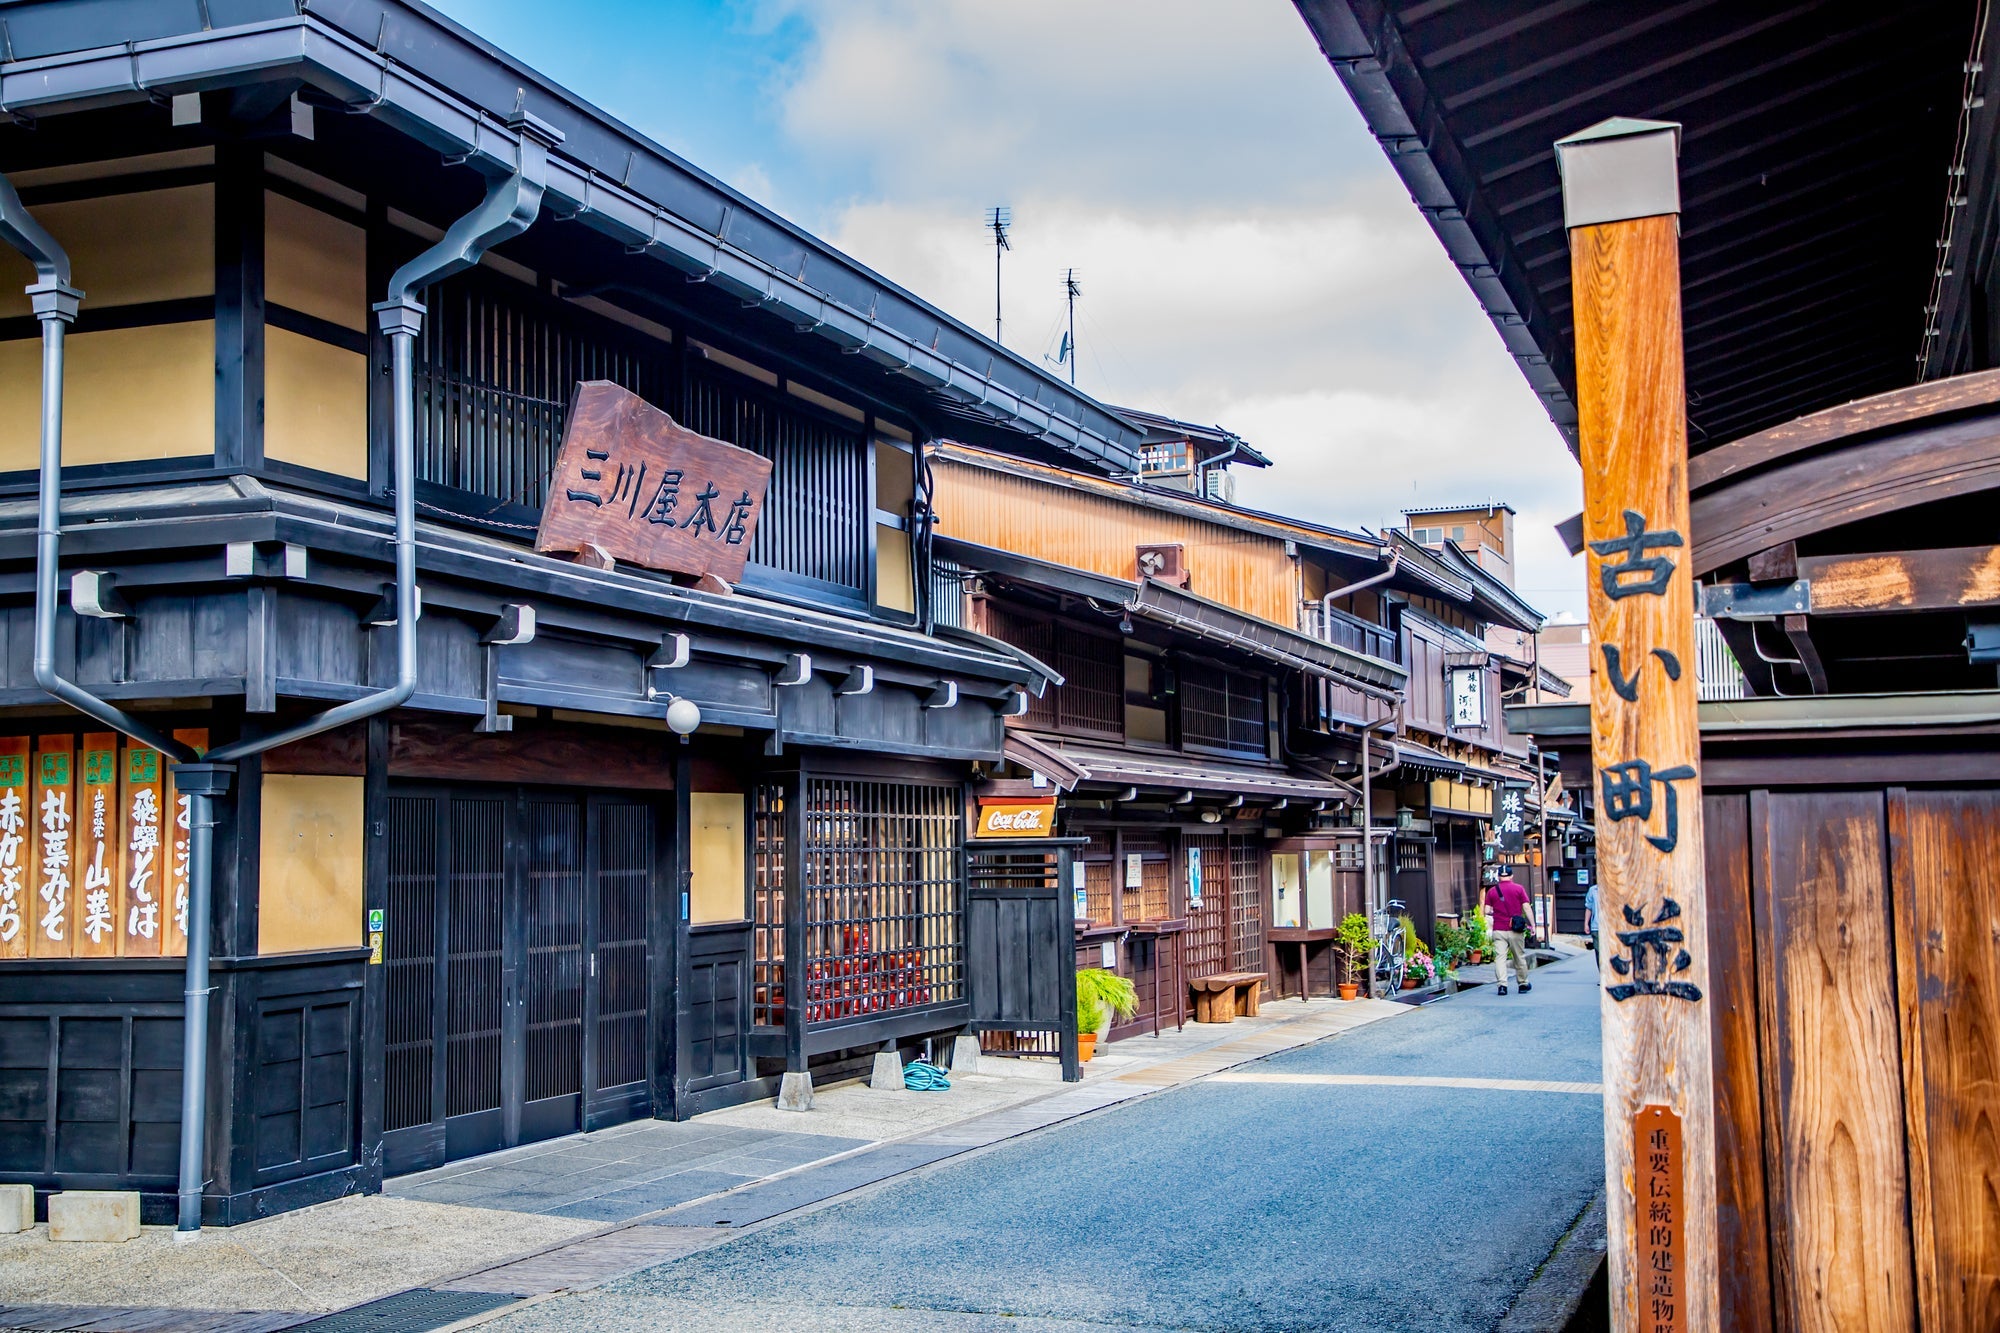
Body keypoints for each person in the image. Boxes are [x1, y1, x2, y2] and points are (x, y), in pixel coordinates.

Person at [1483, 872, 1533, 995]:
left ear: (1499, 876)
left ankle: (1502, 985)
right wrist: (1533, 924)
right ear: (1511, 876)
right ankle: (1523, 984)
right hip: (1515, 929)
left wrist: (1496, 911)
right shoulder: (1519, 889)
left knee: (1500, 958)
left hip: (1499, 929)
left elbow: (1486, 910)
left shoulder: (1492, 891)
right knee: (1519, 957)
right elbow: (1526, 907)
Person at [1583, 880, 1602, 970]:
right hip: (1596, 925)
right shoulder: (1593, 890)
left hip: (1609, 927)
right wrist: (1586, 923)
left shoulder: (1612, 889)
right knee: (1598, 952)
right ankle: (1601, 973)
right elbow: (1589, 907)